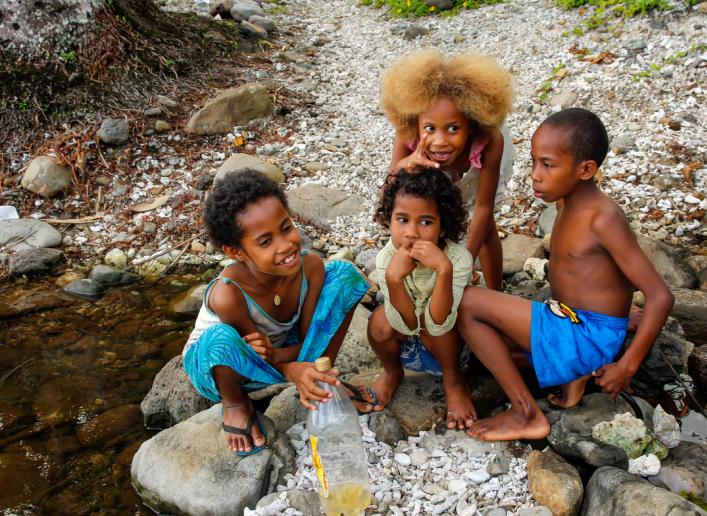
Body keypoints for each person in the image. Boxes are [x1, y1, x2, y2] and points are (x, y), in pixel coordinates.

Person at [457, 108, 675, 441]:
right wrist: (621, 309)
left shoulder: (602, 218)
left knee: (468, 303)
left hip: (587, 335)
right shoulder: (564, 204)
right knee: (488, 346)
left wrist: (626, 366)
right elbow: (604, 273)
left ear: (586, 169)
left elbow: (660, 295)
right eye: (533, 162)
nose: (535, 175)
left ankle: (526, 413)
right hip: (572, 322)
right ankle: (575, 375)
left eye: (547, 164)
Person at [182, 169, 369, 455]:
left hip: (278, 350)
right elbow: (258, 358)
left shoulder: (310, 267)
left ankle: (322, 379)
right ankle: (236, 405)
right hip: (227, 366)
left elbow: (311, 339)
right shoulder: (228, 294)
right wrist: (290, 368)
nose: (286, 245)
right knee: (220, 338)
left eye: (285, 227)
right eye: (265, 241)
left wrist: (303, 362)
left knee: (344, 275)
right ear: (236, 252)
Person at [380, 49, 514, 291]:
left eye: (453, 129)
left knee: (485, 225)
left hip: (479, 166)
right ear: (415, 123)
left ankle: (496, 290)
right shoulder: (407, 134)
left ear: (472, 125)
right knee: (439, 212)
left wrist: (463, 264)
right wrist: (404, 166)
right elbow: (390, 189)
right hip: (430, 167)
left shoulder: (491, 140)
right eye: (430, 128)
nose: (440, 141)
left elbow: (483, 207)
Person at [367, 168, 477, 430]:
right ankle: (393, 372)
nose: (412, 233)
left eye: (426, 222)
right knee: (378, 322)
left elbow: (439, 324)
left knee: (431, 323)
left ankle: (453, 381)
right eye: (402, 220)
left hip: (446, 345)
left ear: (443, 227)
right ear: (389, 220)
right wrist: (394, 280)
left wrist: (444, 270)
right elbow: (405, 326)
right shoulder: (386, 258)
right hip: (407, 338)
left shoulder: (457, 259)